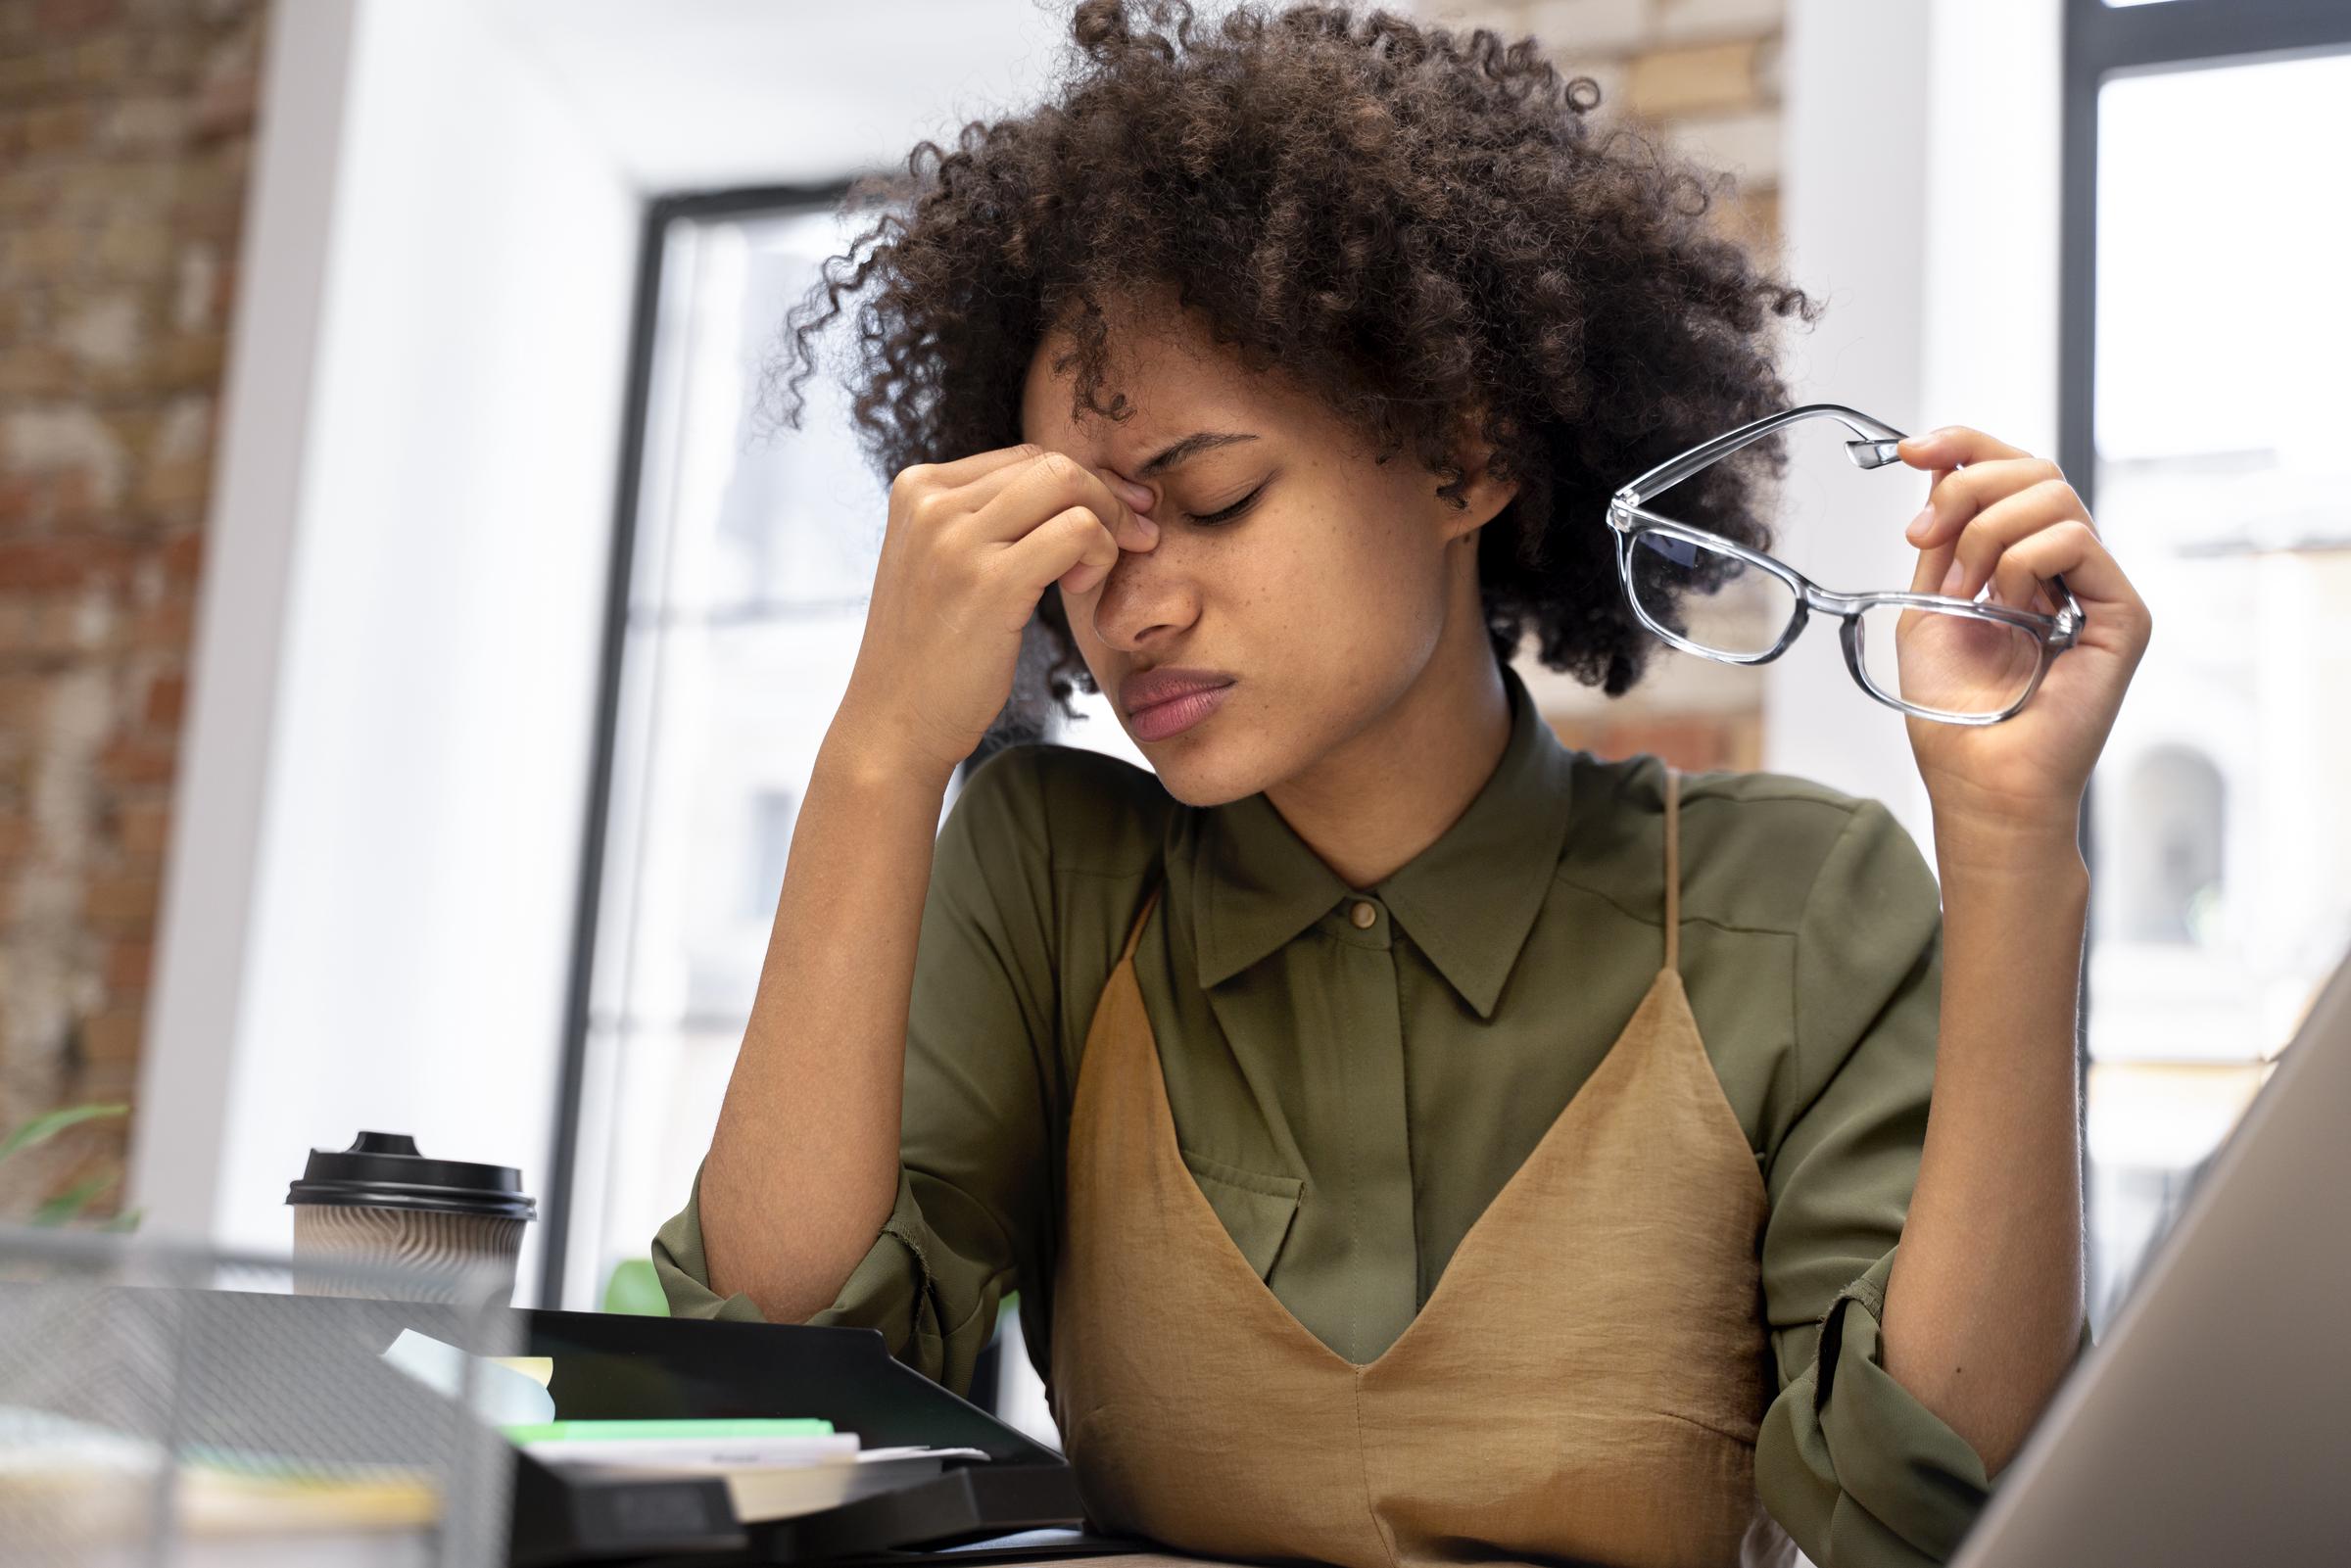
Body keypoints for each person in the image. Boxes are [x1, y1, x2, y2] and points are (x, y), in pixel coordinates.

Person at [653, 4, 2151, 1565]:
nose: (1135, 602)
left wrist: (2011, 842)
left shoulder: (1790, 904)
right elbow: (766, 1394)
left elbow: (1935, 1504)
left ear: (1464, 453)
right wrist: (880, 754)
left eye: (1215, 497)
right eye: (1086, 536)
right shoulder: (1050, 875)